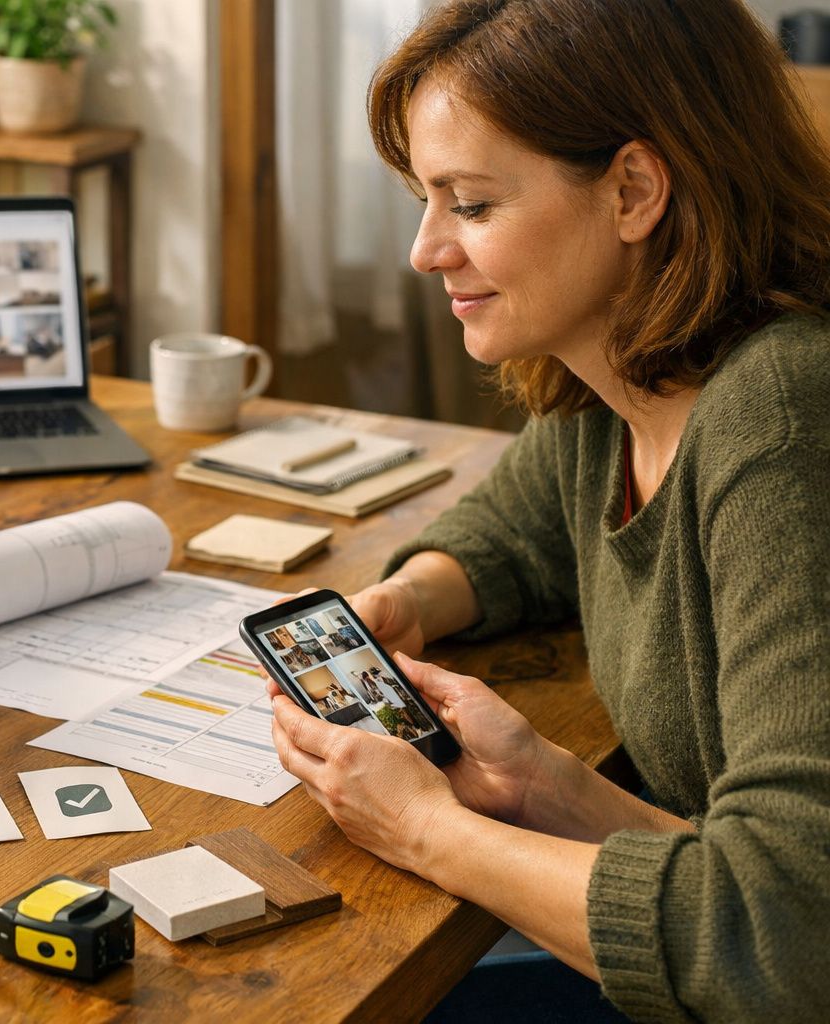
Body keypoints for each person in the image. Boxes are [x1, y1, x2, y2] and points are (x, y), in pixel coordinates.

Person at [266, 1, 830, 1020]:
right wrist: (414, 611)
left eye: (472, 205)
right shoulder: (613, 379)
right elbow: (513, 535)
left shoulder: (782, 420)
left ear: (633, 191)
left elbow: (784, 936)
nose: (425, 250)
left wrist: (429, 831)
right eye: (426, 202)